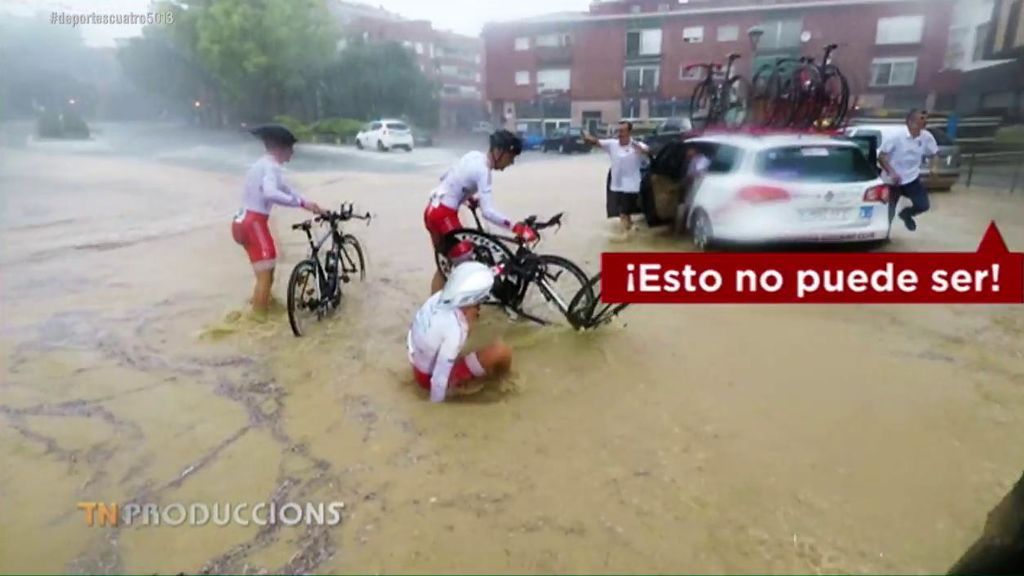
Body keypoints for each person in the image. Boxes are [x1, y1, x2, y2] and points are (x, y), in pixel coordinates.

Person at [423, 129, 535, 294]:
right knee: (468, 268)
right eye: (510, 158)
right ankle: (464, 310)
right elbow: (488, 212)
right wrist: (516, 227)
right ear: (498, 152)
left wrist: (467, 197)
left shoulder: (473, 156)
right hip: (444, 215)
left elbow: (446, 177)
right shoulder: (483, 171)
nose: (511, 163)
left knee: (444, 265)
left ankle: (436, 309)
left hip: (432, 210)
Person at [231, 124, 323, 314]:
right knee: (266, 278)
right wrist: (299, 204)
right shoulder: (271, 167)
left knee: (264, 275)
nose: (292, 154)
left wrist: (310, 204)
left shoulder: (262, 165)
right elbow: (271, 193)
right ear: (280, 148)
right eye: (291, 149)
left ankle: (261, 308)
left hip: (241, 222)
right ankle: (260, 322)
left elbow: (287, 189)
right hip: (254, 223)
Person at [407, 261, 513, 402]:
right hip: (429, 379)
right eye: (479, 303)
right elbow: (439, 379)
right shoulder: (454, 329)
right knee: (501, 351)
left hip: (418, 364)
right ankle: (501, 383)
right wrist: (435, 409)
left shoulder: (437, 298)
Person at [584, 121, 650, 234]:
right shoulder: (612, 144)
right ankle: (632, 232)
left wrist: (643, 151)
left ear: (629, 132)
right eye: (618, 130)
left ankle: (625, 237)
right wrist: (586, 136)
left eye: (622, 131)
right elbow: (596, 142)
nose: (619, 133)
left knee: (624, 213)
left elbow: (649, 152)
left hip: (631, 186)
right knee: (622, 214)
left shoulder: (636, 145)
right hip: (616, 186)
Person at [878, 109, 939, 232]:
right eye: (921, 118)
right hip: (892, 181)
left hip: (911, 178)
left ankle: (906, 214)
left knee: (923, 205)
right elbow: (881, 157)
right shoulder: (896, 137)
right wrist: (892, 172)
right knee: (889, 211)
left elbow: (935, 153)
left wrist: (934, 167)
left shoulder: (926, 137)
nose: (925, 121)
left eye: (926, 118)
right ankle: (885, 235)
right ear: (911, 122)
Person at [675, 143, 711, 234]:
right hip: (694, 186)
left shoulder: (703, 160)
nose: (687, 152)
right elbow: (690, 174)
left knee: (694, 206)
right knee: (687, 205)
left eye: (689, 150)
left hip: (701, 186)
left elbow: (694, 173)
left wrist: (683, 182)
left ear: (694, 150)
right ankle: (683, 229)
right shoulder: (693, 160)